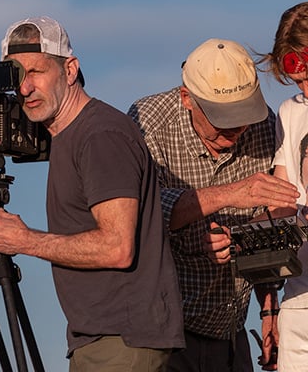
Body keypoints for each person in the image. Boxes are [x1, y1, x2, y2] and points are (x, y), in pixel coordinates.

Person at [0, 16, 185, 371]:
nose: (25, 89)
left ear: (70, 70)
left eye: (36, 72)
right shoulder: (66, 135)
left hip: (122, 339)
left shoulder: (100, 135)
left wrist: (24, 241)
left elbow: (117, 247)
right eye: (17, 77)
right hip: (103, 338)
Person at [128, 38, 300, 372]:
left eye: (243, 112)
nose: (236, 128)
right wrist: (230, 194)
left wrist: (270, 312)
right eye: (223, 117)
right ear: (186, 98)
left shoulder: (265, 126)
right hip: (161, 335)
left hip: (232, 330)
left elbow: (270, 228)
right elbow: (140, 210)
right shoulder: (147, 123)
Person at [257, 1, 308, 372]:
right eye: (298, 80)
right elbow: (284, 199)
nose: (304, 87)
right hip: (300, 300)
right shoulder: (291, 113)